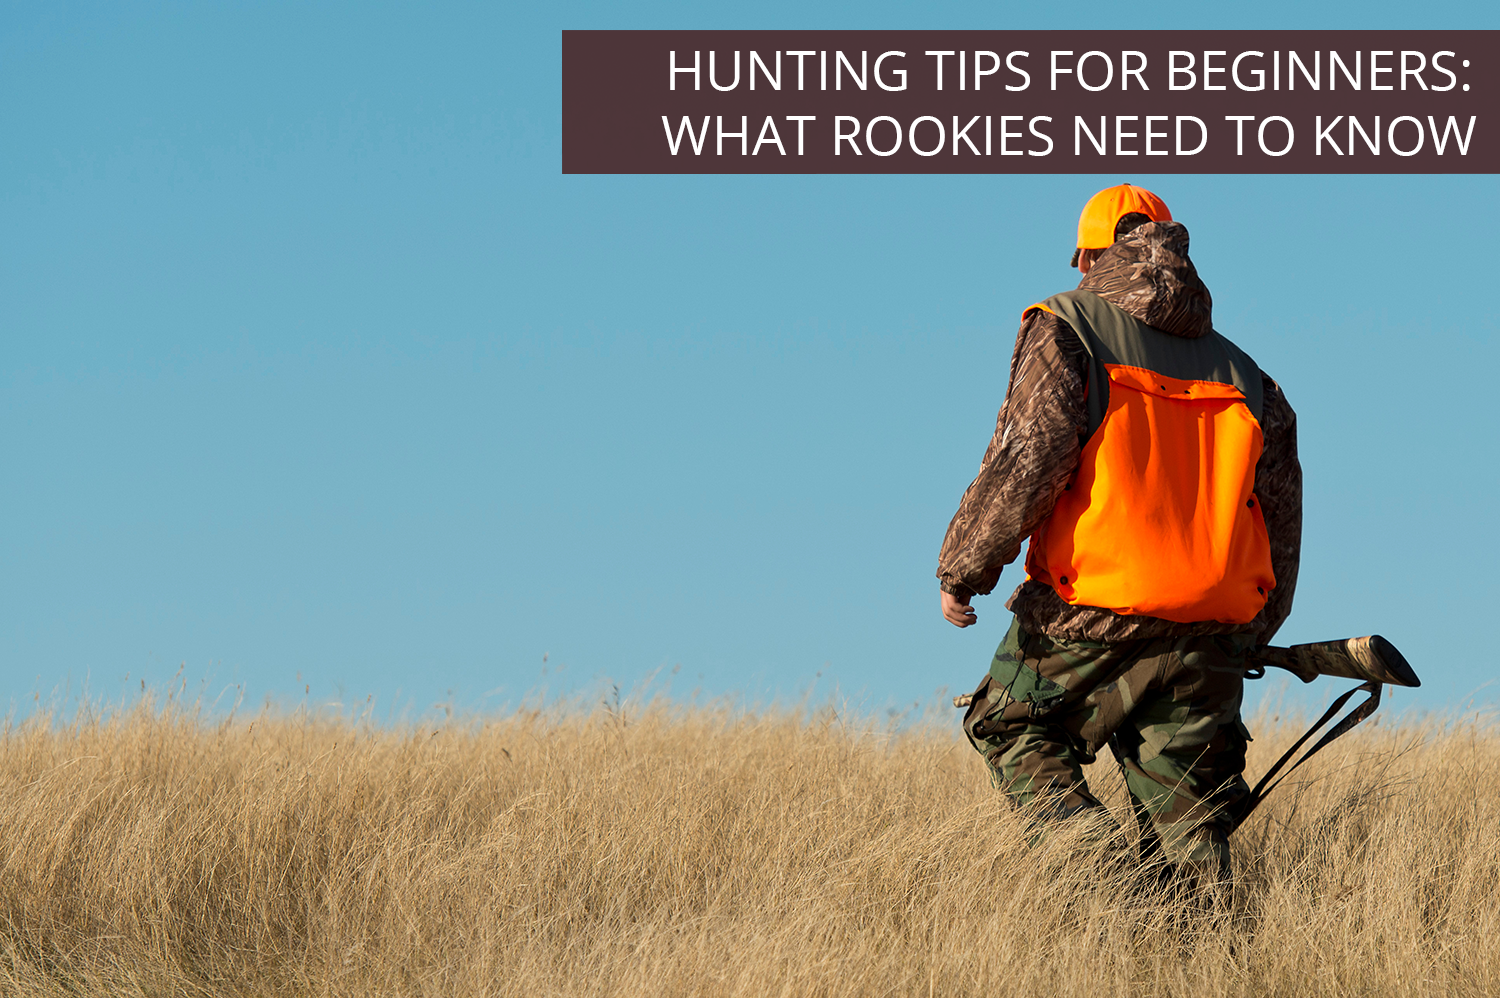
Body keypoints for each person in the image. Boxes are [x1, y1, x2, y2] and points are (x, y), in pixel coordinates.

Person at [936, 184, 1302, 900]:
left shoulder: (1067, 325)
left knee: (1009, 728)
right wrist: (1260, 624)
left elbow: (1030, 454)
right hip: (1211, 623)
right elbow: (1281, 510)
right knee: (1187, 817)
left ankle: (1105, 890)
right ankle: (1212, 964)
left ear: (1088, 255)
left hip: (1091, 609)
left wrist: (964, 568)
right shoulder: (1250, 376)